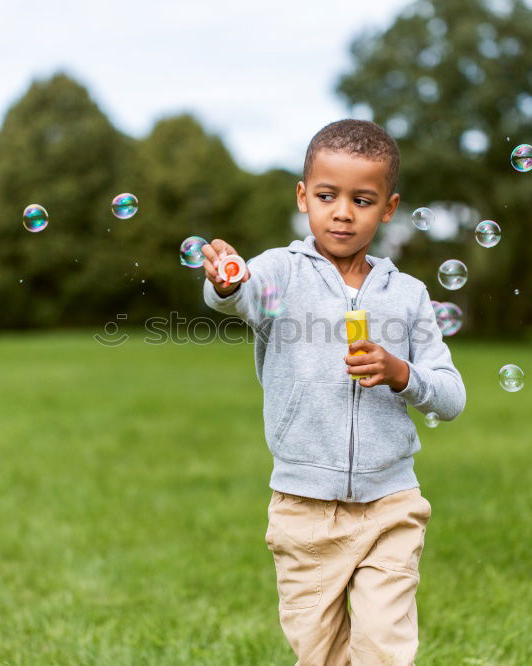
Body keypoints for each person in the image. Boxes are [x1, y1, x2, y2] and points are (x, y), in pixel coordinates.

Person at [201, 119, 465, 665]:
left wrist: (402, 374)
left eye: (362, 200)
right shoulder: (281, 272)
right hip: (303, 509)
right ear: (303, 197)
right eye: (327, 196)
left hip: (390, 505)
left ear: (388, 208)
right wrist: (225, 281)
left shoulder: (410, 296)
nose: (342, 211)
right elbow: (239, 297)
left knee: (384, 652)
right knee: (319, 655)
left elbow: (451, 395)